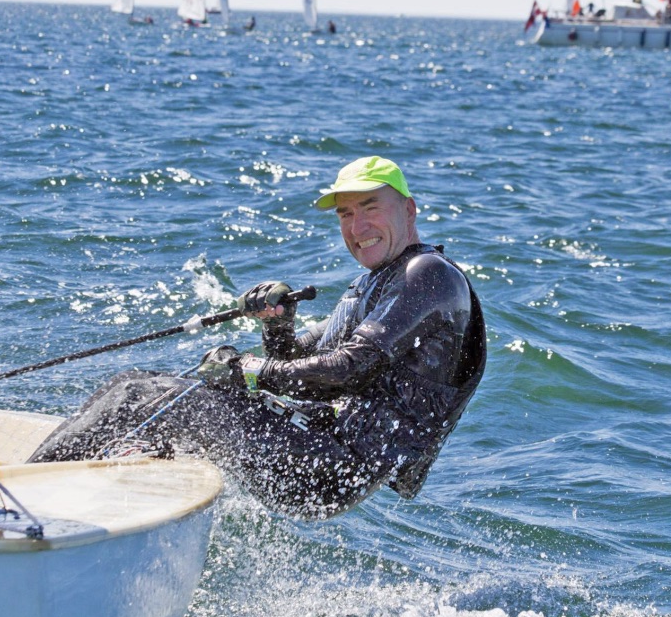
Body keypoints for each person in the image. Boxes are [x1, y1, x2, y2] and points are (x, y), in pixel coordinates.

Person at [29, 156, 486, 520]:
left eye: (370, 208)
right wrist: (278, 325)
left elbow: (349, 367)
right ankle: (89, 502)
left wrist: (250, 372)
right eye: (346, 214)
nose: (357, 227)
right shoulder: (376, 282)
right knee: (135, 387)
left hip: (330, 469)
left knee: (136, 394)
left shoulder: (427, 274)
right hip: (314, 450)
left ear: (408, 209)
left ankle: (21, 497)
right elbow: (303, 368)